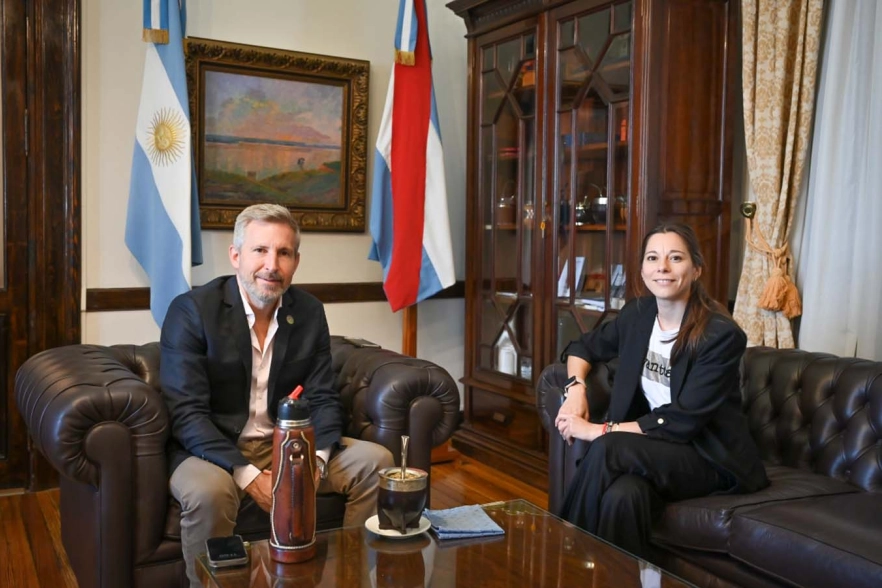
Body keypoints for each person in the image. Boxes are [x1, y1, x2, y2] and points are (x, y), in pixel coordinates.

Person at [161, 203, 394, 587]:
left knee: (376, 461)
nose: (272, 264)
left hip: (291, 444)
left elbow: (322, 398)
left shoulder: (308, 312)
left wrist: (312, 469)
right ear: (235, 255)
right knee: (208, 494)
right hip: (213, 449)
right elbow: (187, 413)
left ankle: (350, 578)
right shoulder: (192, 311)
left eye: (283, 253)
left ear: (296, 261)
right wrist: (251, 477)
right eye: (260, 250)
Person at [552, 222, 768, 560]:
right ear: (642, 269)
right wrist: (576, 387)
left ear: (696, 269)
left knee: (609, 447)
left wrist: (596, 430)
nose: (662, 267)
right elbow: (583, 347)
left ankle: (560, 558)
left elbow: (681, 421)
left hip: (709, 457)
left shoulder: (720, 335)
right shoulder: (638, 314)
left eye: (675, 258)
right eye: (653, 258)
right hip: (657, 452)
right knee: (624, 495)